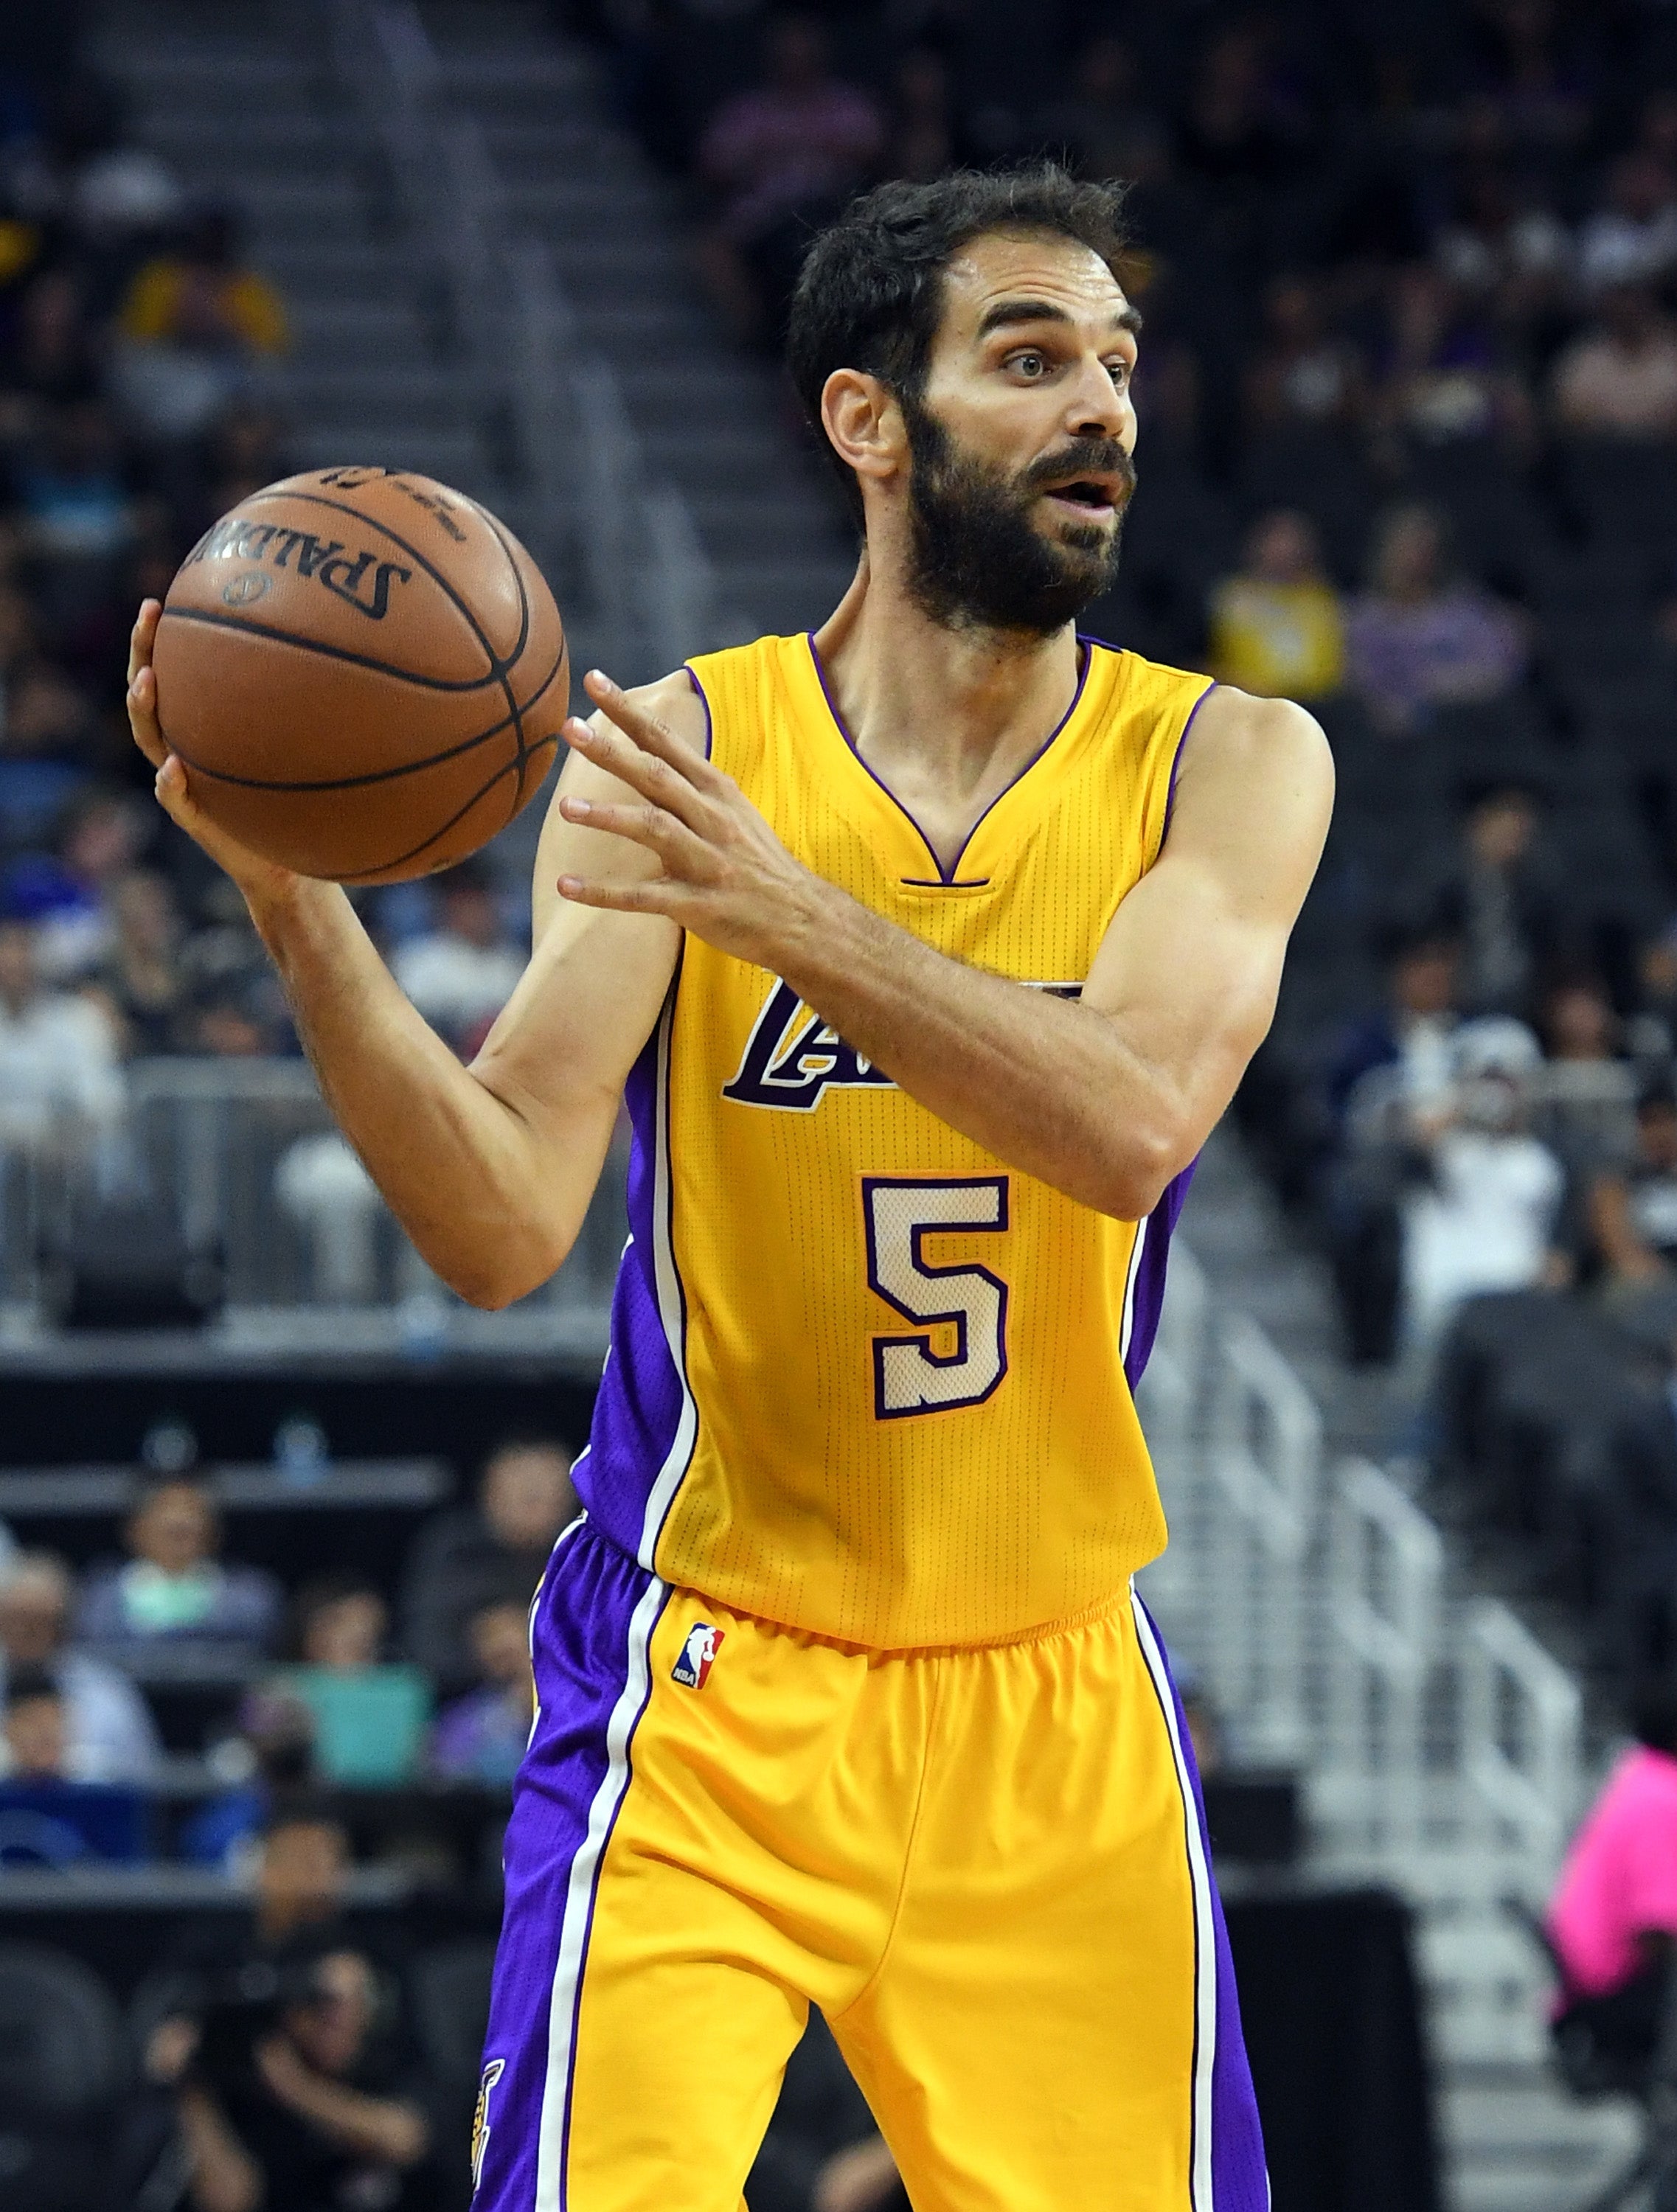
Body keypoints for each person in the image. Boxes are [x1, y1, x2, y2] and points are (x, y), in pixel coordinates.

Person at [129, 163, 1333, 2208]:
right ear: (870, 419)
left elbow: (1131, 1124)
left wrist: (782, 911)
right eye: (1029, 359)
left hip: (1049, 1690)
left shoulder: (1224, 764)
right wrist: (301, 917)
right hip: (709, 1676)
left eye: (1117, 365)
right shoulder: (672, 756)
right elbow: (505, 1220)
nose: (1102, 408)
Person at [1548, 1680, 1677, 2070]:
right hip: (1614, 1994)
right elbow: (1658, 1930)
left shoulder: (1638, 1779)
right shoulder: (1662, 1799)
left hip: (1594, 1988)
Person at [400, 1439, 576, 1692]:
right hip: (465, 1705)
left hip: (574, 1703)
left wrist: (540, 1639)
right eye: (525, 1487)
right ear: (490, 1490)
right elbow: (419, 1645)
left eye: (549, 1487)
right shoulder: (453, 1548)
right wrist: (481, 1645)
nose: (536, 1497)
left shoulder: (592, 1553)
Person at [1344, 504, 1530, 734]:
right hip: (1378, 739)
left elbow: (1496, 671)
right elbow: (1353, 677)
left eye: (1427, 549)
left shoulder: (1464, 612)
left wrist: (1432, 686)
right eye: (1408, 548)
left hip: (1459, 732)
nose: (1418, 559)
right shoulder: (1361, 617)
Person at [77, 1476, 282, 1660]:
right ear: (134, 1529)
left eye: (192, 1511)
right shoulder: (99, 1598)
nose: (179, 1521)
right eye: (164, 1510)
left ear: (215, 1531)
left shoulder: (251, 1595)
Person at [0, 1547, 160, 1781]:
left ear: (64, 1624)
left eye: (40, 1621)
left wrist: (71, 1762)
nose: (26, 1632)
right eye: (16, 1619)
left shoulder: (108, 1693)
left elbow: (141, 1779)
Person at [282, 1575, 430, 1789]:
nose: (358, 1631)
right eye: (340, 1620)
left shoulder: (407, 1686)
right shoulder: (285, 1684)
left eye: (366, 1623)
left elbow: (420, 1758)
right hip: (312, 1800)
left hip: (396, 1803)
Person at [388, 856, 524, 1057]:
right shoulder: (421, 958)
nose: (478, 914)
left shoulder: (513, 963)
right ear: (451, 909)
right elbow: (405, 1025)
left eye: (482, 905)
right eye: (468, 906)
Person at [1207, 509, 1346, 702]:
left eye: (1291, 542)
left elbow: (1332, 665)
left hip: (1316, 703)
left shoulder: (1319, 598)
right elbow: (1227, 659)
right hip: (1253, 701)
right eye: (1277, 541)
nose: (1284, 550)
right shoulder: (1236, 597)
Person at [429, 1598, 536, 1787]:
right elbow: (446, 1778)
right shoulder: (464, 1721)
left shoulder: (580, 1700)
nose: (499, 1644)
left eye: (508, 1629)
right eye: (486, 1636)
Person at [1551, 282, 1677, 439]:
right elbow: (1568, 412)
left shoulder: (1670, 356)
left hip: (1663, 453)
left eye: (1635, 302)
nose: (1628, 311)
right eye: (1622, 304)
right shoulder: (1585, 358)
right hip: (1599, 452)